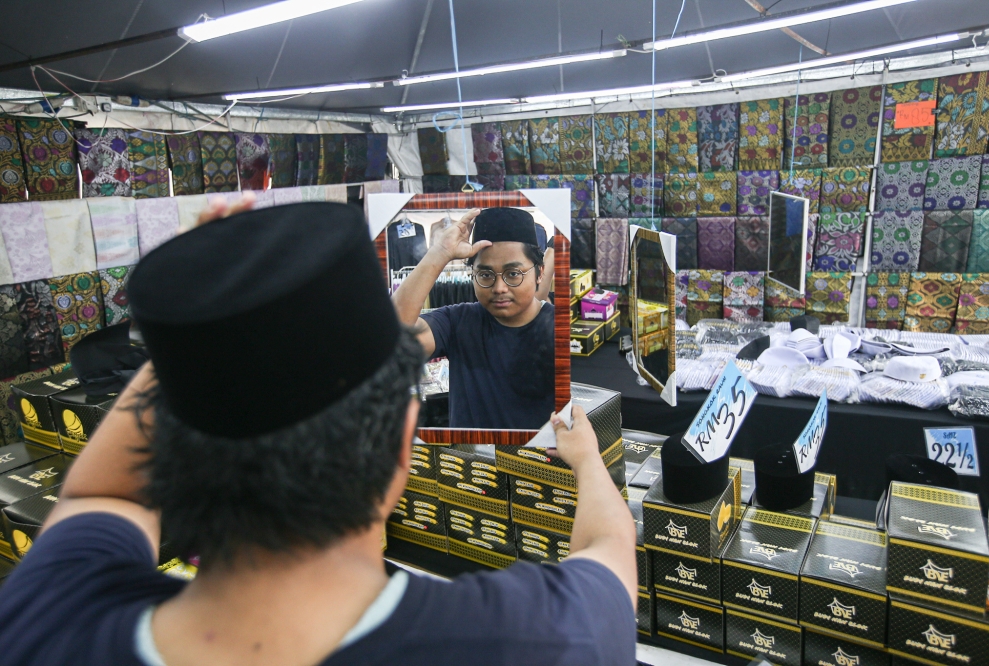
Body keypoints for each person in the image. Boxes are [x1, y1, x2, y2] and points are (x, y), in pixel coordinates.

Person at [0, 199, 637, 666]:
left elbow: (99, 496)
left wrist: (207, 325)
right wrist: (585, 465)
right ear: (400, 443)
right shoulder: (535, 640)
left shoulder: (48, 623)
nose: (499, 287)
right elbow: (611, 551)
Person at [392, 207, 555, 429]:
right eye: (485, 275)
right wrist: (440, 252)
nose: (499, 288)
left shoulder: (556, 327)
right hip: (470, 460)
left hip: (535, 460)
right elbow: (393, 336)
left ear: (540, 272)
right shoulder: (457, 321)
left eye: (513, 274)